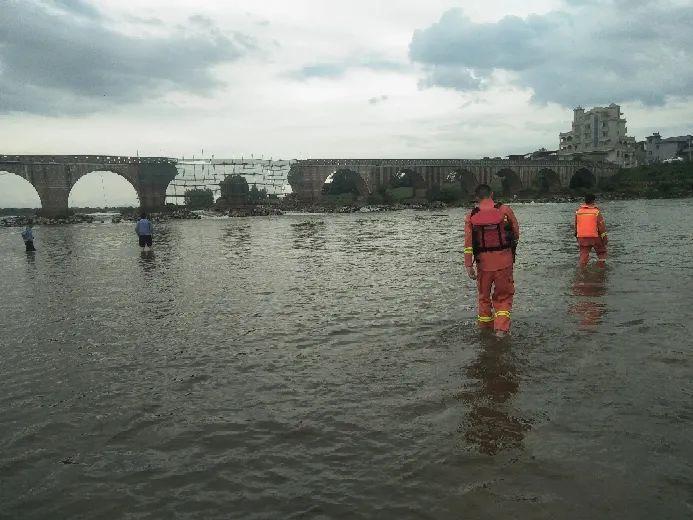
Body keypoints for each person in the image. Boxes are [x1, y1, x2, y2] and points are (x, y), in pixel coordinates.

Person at [464, 184, 520, 338]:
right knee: (504, 296)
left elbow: (468, 243)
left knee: (483, 297)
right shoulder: (505, 210)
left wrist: (469, 265)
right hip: (504, 263)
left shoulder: (471, 215)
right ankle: (501, 331)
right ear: (492, 194)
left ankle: (485, 330)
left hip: (483, 264)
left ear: (476, 197)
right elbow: (516, 233)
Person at [575, 193, 607, 268]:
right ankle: (601, 269)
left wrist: (577, 237)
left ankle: (582, 271)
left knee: (583, 255)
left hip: (582, 237)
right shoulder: (596, 212)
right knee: (601, 252)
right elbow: (601, 227)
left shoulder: (578, 212)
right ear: (593, 201)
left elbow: (576, 226)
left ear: (585, 201)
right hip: (595, 237)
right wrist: (605, 239)